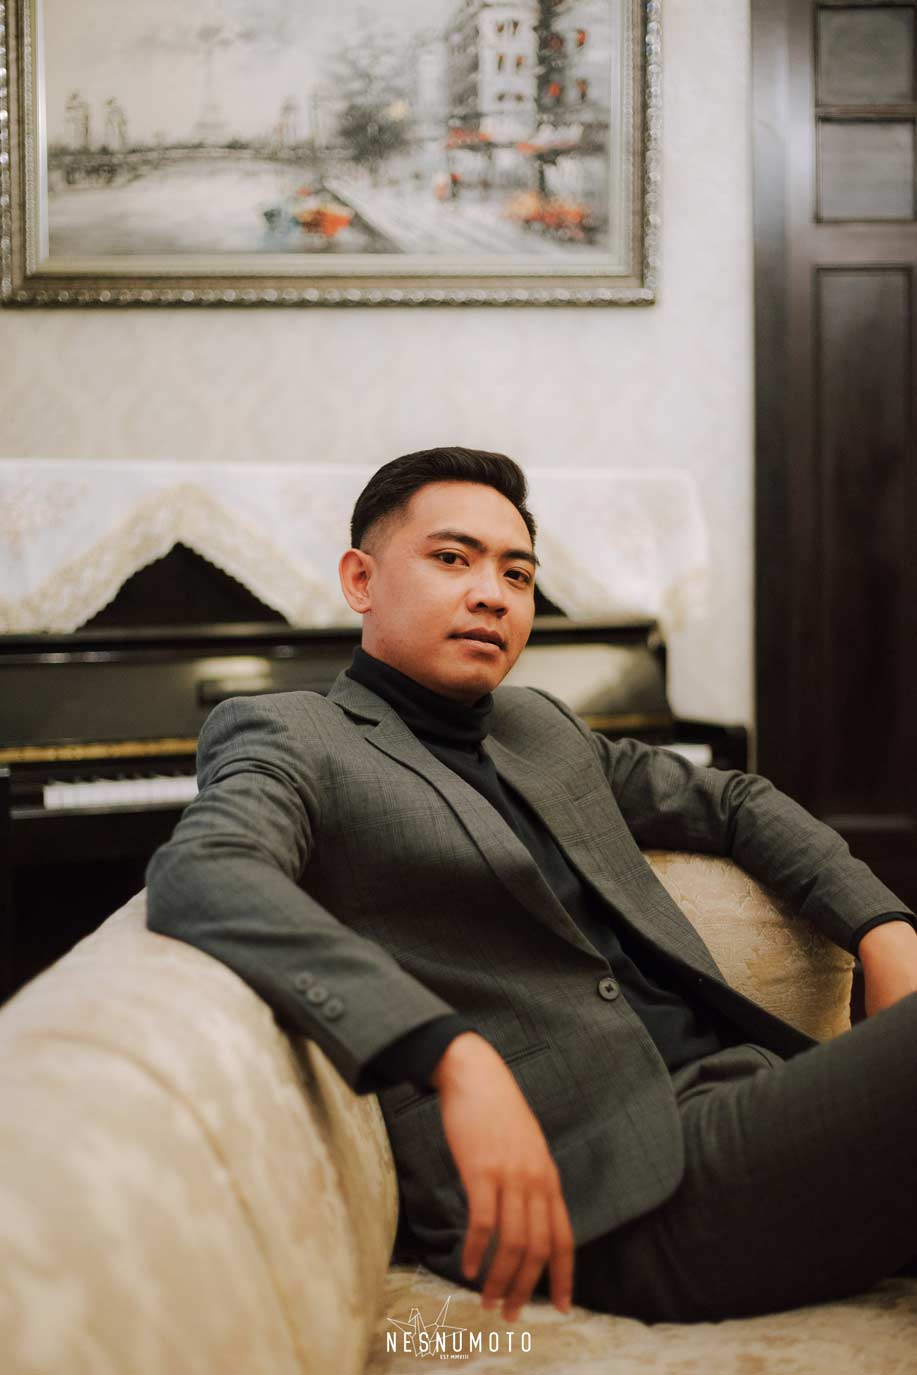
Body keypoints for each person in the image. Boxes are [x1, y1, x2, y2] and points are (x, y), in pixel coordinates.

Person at [146, 446, 917, 1327]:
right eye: (452, 558)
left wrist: (883, 930)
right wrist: (447, 1050)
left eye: (517, 573)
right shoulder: (295, 735)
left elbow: (732, 802)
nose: (492, 593)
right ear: (360, 579)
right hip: (613, 1189)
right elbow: (205, 869)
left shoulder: (538, 725)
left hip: (758, 1096)